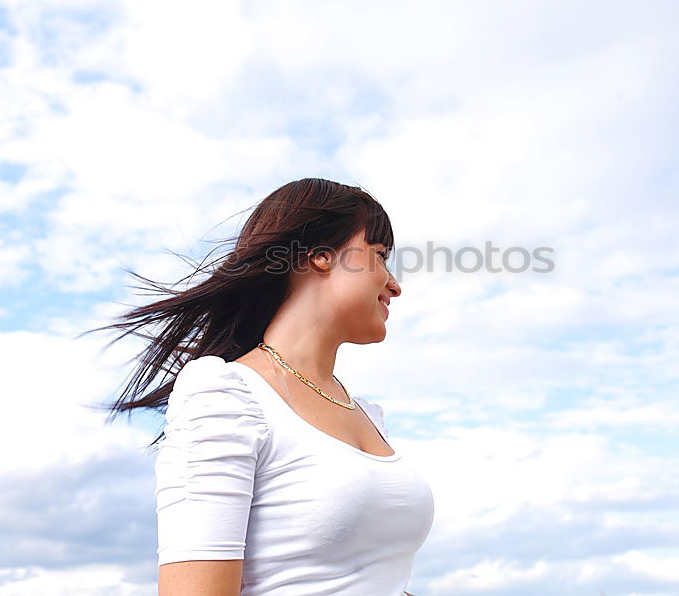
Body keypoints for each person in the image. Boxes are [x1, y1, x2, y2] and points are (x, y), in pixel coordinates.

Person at [93, 178, 435, 595]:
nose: (394, 284)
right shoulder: (226, 395)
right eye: (380, 256)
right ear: (320, 256)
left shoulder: (366, 413)